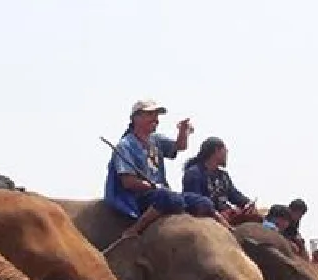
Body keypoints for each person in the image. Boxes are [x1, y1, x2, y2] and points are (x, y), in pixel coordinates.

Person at [103, 100, 211, 238]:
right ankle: (135, 229)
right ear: (136, 117)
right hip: (141, 196)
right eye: (150, 114)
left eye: (156, 115)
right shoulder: (125, 145)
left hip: (161, 191)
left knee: (203, 202)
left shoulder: (156, 140)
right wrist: (153, 186)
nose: (156, 119)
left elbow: (179, 146)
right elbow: (128, 181)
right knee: (169, 198)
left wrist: (183, 131)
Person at [180, 137, 253, 223]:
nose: (227, 153)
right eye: (225, 150)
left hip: (226, 215)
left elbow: (235, 195)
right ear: (217, 151)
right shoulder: (194, 173)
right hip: (208, 219)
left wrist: (248, 203)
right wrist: (218, 213)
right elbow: (195, 203)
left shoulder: (223, 175)